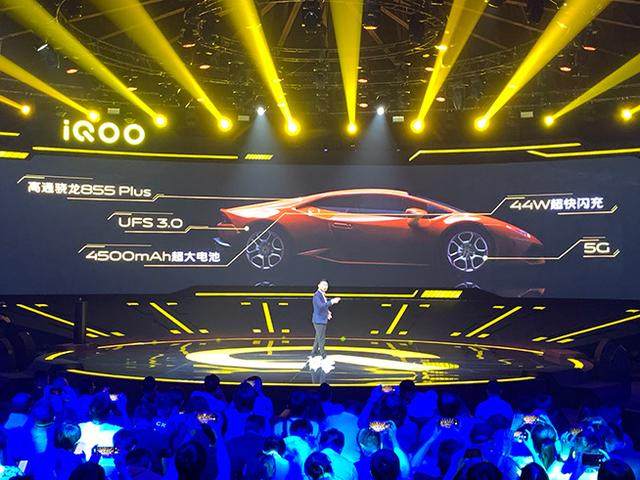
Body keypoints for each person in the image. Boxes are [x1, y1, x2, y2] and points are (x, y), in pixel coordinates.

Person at [310, 280, 341, 358]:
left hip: (321, 319)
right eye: (323, 285)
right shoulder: (317, 295)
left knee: (318, 337)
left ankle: (314, 352)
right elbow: (321, 306)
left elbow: (323, 307)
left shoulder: (322, 295)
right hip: (319, 320)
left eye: (326, 285)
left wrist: (327, 312)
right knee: (321, 338)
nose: (325, 287)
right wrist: (332, 301)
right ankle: (323, 354)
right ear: (318, 285)